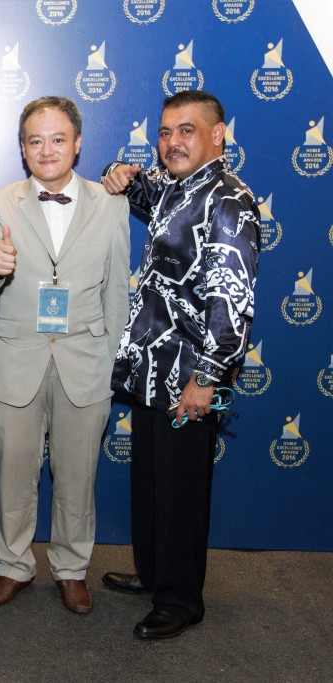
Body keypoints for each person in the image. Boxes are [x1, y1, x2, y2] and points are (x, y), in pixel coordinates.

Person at [102, 90, 259, 639]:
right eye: (165, 132)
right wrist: (120, 174)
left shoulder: (229, 200)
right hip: (152, 367)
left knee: (181, 492)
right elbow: (145, 193)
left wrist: (208, 378)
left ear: (218, 135)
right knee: (152, 485)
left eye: (186, 130)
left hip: (191, 375)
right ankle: (154, 575)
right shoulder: (178, 186)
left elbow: (232, 300)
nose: (172, 142)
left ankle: (180, 600)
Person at [0, 96, 131, 614]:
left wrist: (109, 362)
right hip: (15, 361)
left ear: (77, 143)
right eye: (35, 140)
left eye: (58, 139)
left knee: (78, 478)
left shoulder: (112, 203)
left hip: (85, 363)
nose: (47, 150)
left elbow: (117, 293)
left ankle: (70, 568)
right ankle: (13, 565)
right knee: (14, 476)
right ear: (22, 148)